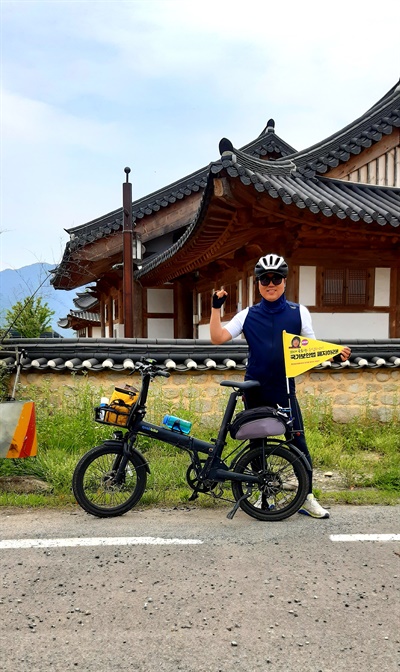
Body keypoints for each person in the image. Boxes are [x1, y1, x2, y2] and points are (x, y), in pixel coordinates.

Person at [209, 253, 351, 519]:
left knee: (298, 442)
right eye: (265, 279)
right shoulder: (248, 314)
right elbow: (217, 337)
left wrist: (334, 353)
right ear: (258, 284)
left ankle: (307, 497)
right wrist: (216, 307)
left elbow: (311, 348)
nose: (270, 283)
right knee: (257, 444)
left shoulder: (299, 312)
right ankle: (265, 495)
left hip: (284, 390)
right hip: (255, 388)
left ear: (285, 281)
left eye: (275, 278)